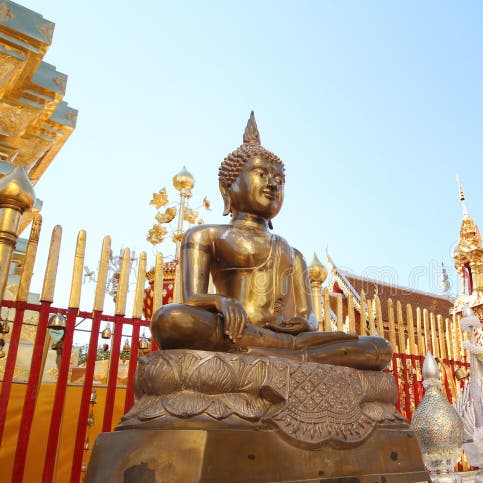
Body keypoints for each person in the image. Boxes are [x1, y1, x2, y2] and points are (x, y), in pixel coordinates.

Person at [151, 112, 390, 371]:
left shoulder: (293, 254)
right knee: (171, 319)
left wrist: (306, 323)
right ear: (227, 187)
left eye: (279, 180)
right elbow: (191, 297)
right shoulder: (205, 235)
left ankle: (274, 354)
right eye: (261, 174)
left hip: (287, 341)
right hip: (233, 331)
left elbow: (308, 315)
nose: (272, 185)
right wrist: (219, 302)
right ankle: (288, 358)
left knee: (379, 348)